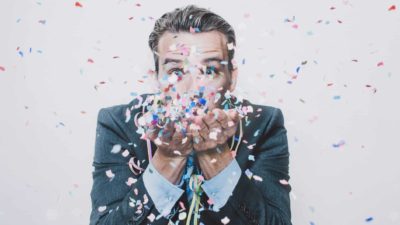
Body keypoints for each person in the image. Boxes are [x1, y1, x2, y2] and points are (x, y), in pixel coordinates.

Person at [89, 4, 292, 225]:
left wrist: (217, 158)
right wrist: (167, 159)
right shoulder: (118, 124)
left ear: (232, 78)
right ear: (156, 76)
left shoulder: (263, 124)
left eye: (210, 70)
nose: (194, 89)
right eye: (176, 72)